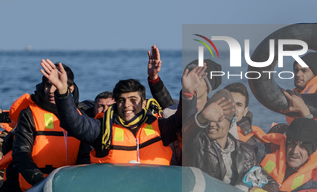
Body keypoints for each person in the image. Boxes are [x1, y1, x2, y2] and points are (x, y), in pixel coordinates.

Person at [40, 58, 200, 165]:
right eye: (122, 100)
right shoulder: (102, 130)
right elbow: (73, 123)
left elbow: (183, 119)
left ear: (144, 103)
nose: (127, 105)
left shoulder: (161, 128)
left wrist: (187, 92)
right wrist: (62, 92)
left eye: (133, 100)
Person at [0, 64, 91, 192]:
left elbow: (85, 158)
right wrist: (40, 182)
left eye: (55, 85)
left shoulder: (81, 117)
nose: (50, 91)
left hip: (68, 187)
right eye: (47, 85)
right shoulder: (29, 114)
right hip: (32, 186)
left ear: (70, 89)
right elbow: (21, 153)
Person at [183, 89, 279, 192]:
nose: (211, 124)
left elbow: (272, 184)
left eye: (218, 119)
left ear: (231, 122)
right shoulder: (196, 146)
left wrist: (260, 191)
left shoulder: (246, 152)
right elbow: (186, 135)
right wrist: (200, 118)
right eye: (208, 119)